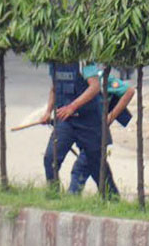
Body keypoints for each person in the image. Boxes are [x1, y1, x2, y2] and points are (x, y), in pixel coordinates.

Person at [43, 62, 110, 196]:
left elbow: (95, 86)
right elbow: (55, 88)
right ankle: (53, 196)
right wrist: (48, 112)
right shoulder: (54, 61)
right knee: (50, 158)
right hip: (65, 121)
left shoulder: (82, 61)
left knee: (96, 164)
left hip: (88, 120)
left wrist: (72, 107)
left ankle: (111, 199)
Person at [68, 71, 136, 195]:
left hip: (97, 134)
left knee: (81, 168)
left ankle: (71, 198)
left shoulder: (100, 77)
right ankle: (113, 199)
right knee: (100, 169)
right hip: (82, 132)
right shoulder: (73, 79)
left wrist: (111, 116)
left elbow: (129, 91)